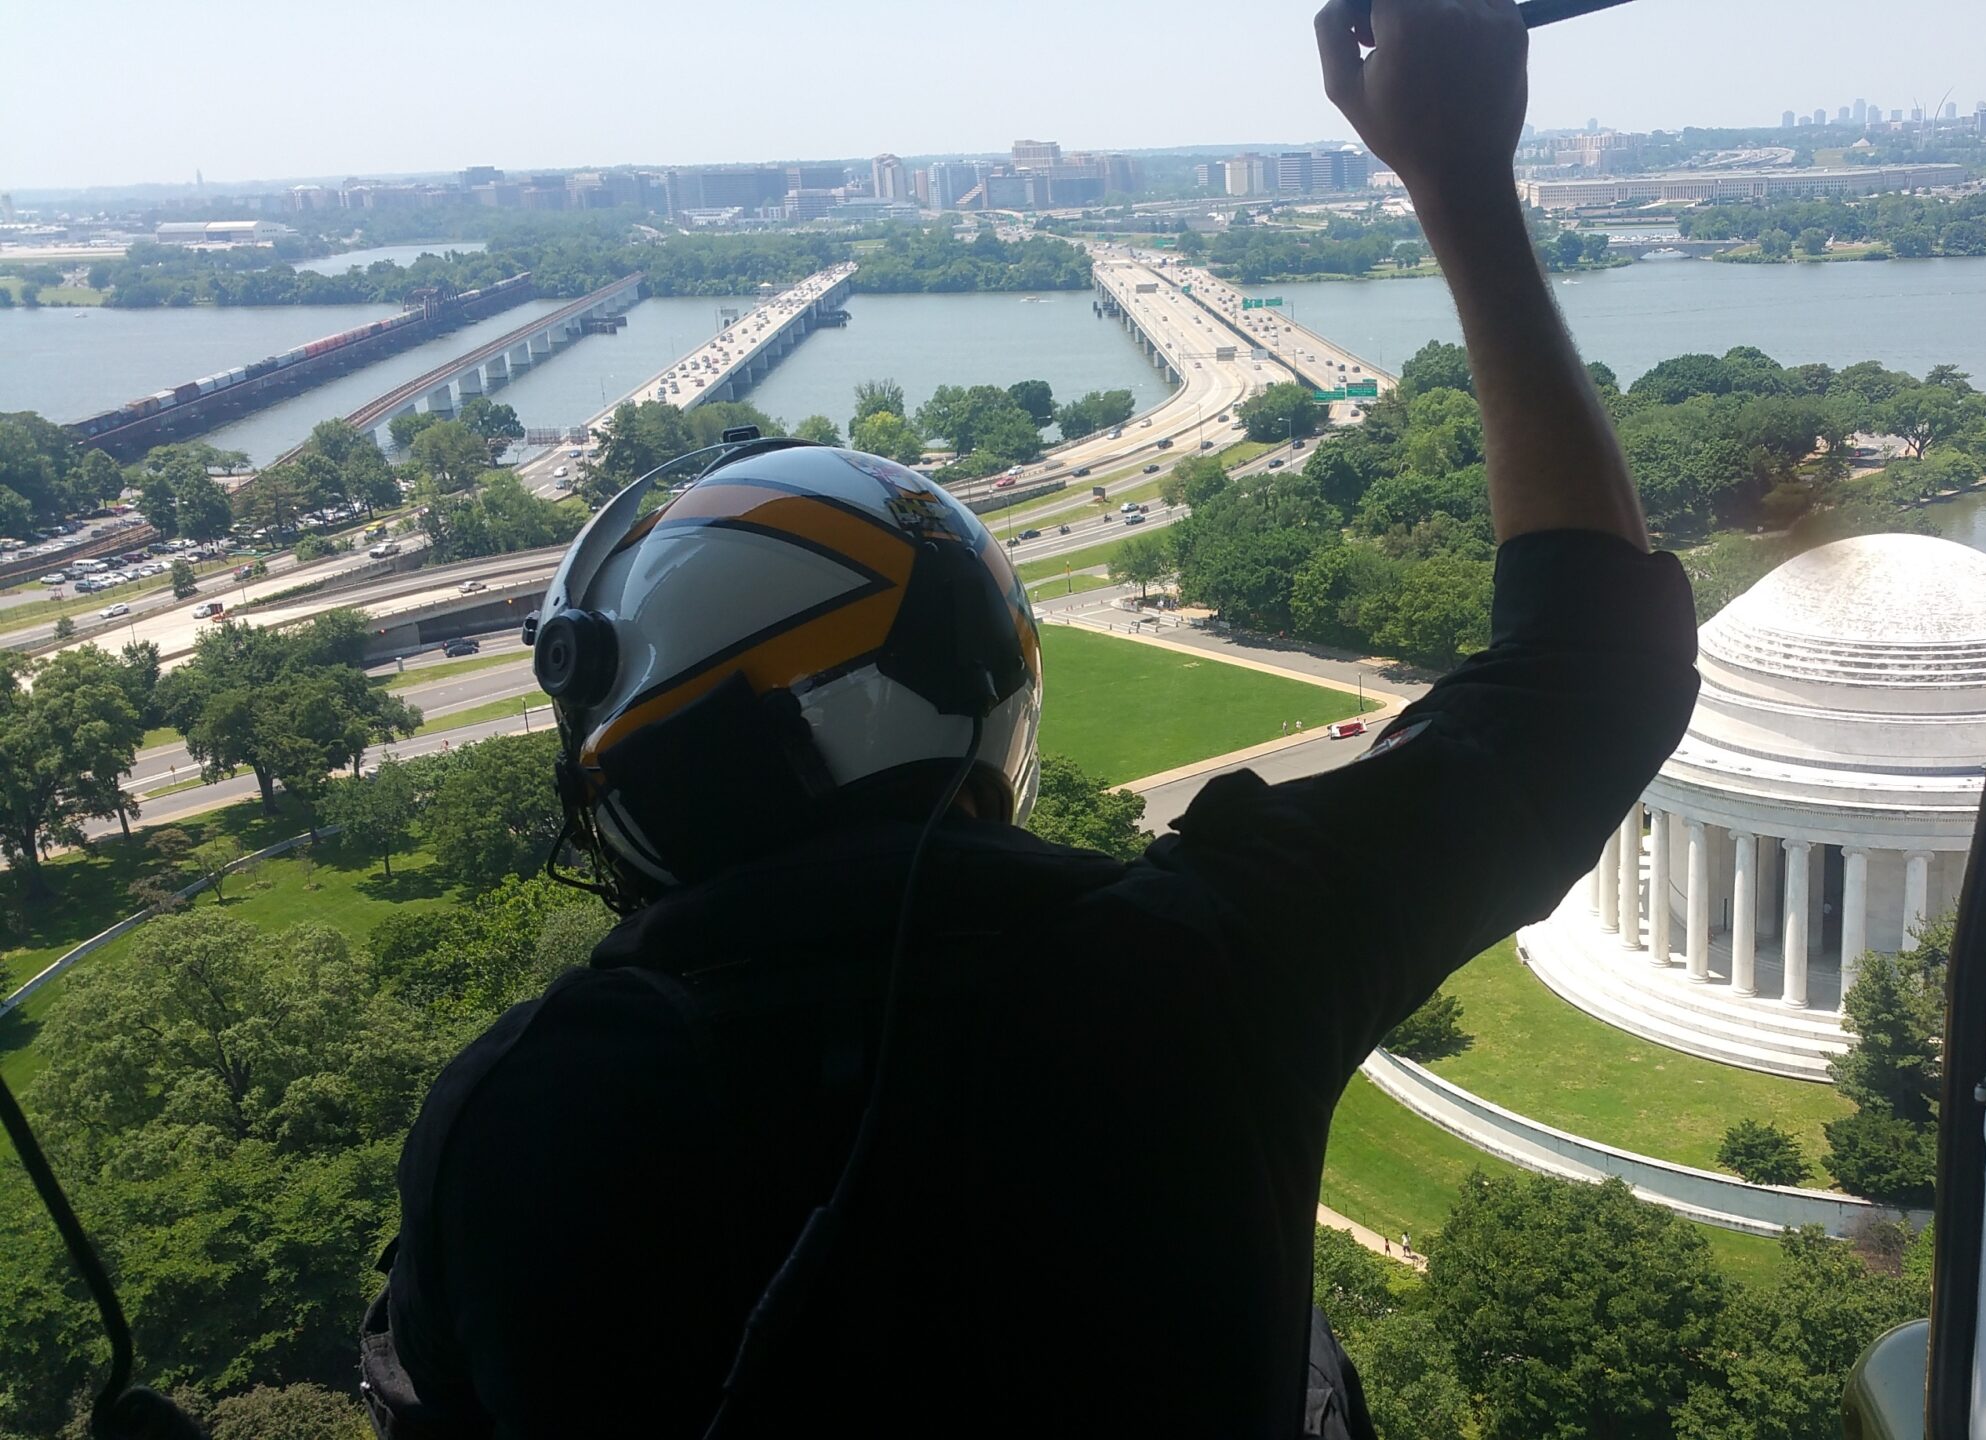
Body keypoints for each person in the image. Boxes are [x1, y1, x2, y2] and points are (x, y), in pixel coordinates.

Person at [366, 2, 1697, 1435]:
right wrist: (1460, 177)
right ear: (978, 704)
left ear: (638, 784)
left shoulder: (509, 1122)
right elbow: (1588, 675)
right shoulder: (1197, 970)